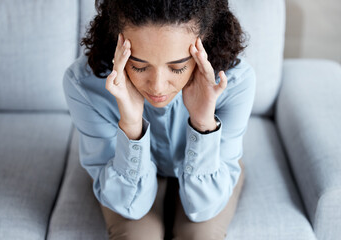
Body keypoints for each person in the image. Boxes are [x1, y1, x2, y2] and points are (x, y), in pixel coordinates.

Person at [63, 0, 256, 239]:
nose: (157, 87)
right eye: (139, 66)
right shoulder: (84, 85)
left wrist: (203, 123)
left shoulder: (235, 81)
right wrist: (132, 126)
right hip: (124, 172)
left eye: (176, 68)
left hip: (210, 169)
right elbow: (129, 206)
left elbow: (204, 209)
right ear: (118, 42)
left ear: (203, 44)